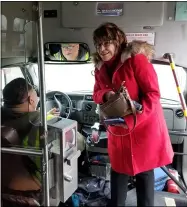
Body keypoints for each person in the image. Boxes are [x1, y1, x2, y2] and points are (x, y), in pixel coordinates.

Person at [92, 22, 174, 206]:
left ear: (118, 41)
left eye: (106, 43)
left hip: (142, 129)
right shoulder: (100, 68)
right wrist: (105, 94)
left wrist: (132, 120)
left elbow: (153, 95)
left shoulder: (136, 60)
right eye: (98, 44)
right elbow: (96, 92)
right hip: (118, 130)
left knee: (144, 174)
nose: (102, 48)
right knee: (118, 173)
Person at [2, 78, 86, 177]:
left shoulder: (4, 119)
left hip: (8, 173)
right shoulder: (42, 122)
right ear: (31, 100)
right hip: (39, 176)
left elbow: (25, 120)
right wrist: (49, 119)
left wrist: (46, 115)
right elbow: (79, 142)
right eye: (35, 92)